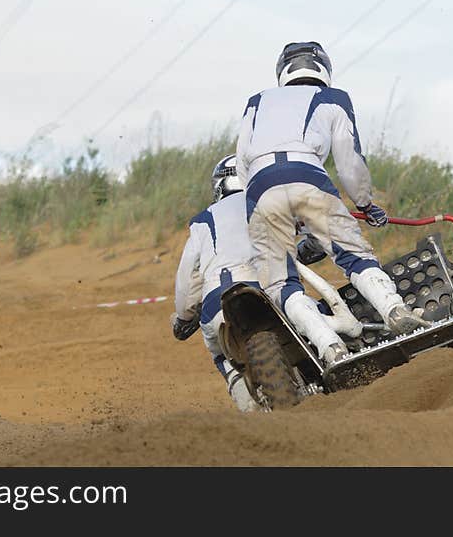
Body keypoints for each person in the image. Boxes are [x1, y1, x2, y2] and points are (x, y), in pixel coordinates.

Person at [236, 41, 429, 365]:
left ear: (283, 72)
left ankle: (330, 347)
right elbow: (349, 163)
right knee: (353, 255)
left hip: (260, 187)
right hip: (309, 177)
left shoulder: (257, 102)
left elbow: (243, 162)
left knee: (282, 282)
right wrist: (365, 204)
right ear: (324, 68)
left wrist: (265, 208)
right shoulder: (334, 98)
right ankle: (395, 310)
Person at [171, 155, 261, 412]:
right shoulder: (266, 203)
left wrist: (184, 316)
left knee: (221, 355)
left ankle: (251, 412)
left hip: (218, 302)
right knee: (302, 311)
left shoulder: (203, 220)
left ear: (221, 184)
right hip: (269, 292)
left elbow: (187, 276)